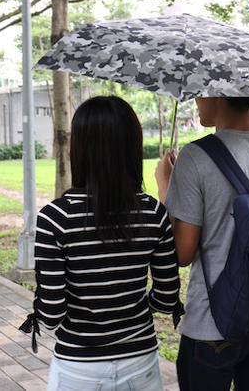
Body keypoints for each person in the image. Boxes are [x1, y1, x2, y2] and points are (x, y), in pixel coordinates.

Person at [21, 95, 181, 391]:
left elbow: (52, 312)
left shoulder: (55, 218)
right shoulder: (154, 213)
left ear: (79, 148)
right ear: (132, 147)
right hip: (141, 362)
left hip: (78, 367)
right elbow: (167, 298)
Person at [155, 97, 249, 391]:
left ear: (216, 93)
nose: (196, 99)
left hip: (210, 326)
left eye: (200, 91)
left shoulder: (195, 156)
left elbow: (182, 254)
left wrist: (166, 187)